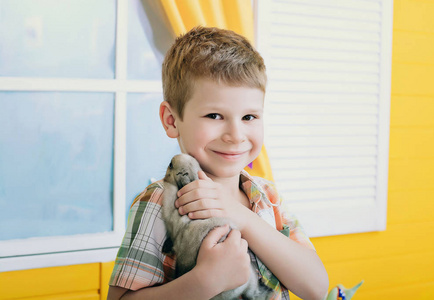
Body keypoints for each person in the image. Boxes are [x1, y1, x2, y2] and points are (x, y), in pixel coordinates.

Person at [107, 26, 328, 300]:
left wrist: (239, 215)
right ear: (171, 120)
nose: (235, 136)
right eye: (214, 115)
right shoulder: (161, 202)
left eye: (249, 117)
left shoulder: (267, 198)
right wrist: (205, 282)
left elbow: (317, 288)